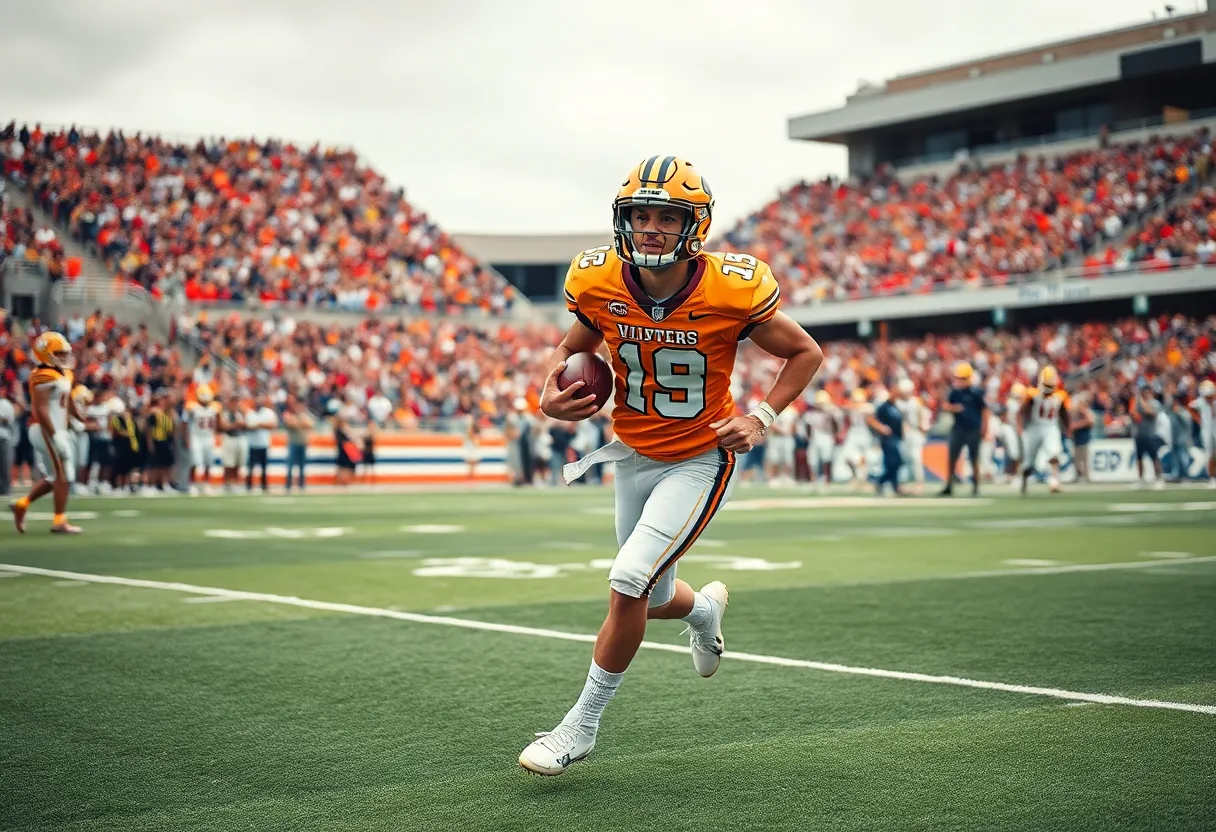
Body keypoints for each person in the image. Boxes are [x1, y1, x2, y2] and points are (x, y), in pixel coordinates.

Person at [517, 155, 823, 776]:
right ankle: (703, 612)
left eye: (665, 217)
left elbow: (804, 352)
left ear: (694, 226)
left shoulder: (730, 287)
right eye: (640, 215)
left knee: (628, 578)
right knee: (649, 595)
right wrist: (548, 393)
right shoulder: (599, 281)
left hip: (700, 459)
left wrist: (762, 416)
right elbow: (572, 349)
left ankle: (579, 727)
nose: (651, 228)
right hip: (633, 455)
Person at [9, 332, 83, 533]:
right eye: (58, 353)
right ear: (43, 354)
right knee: (63, 473)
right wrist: (55, 433)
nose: (63, 356)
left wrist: (78, 419)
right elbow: (40, 409)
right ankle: (59, 521)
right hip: (44, 428)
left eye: (64, 352)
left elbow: (66, 402)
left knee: (55, 476)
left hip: (55, 429)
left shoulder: (64, 373)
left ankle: (22, 504)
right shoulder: (43, 374)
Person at [1018, 366, 1071, 495]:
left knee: (1054, 453)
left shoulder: (1060, 396)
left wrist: (1068, 428)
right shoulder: (1032, 394)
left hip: (1051, 427)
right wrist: (1021, 428)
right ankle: (1024, 479)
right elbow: (1021, 412)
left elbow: (1065, 414)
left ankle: (1054, 481)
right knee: (1029, 463)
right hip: (1034, 428)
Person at [938, 362, 987, 497]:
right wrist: (955, 408)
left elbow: (984, 410)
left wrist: (984, 427)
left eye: (962, 378)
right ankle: (948, 485)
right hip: (958, 428)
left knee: (974, 458)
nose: (959, 381)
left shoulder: (977, 392)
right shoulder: (954, 392)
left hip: (973, 428)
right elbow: (946, 406)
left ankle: (976, 485)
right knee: (952, 457)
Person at [1129, 385, 1165, 490]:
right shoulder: (1138, 403)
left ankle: (1159, 478)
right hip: (1139, 433)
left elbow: (1150, 413)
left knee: (1154, 457)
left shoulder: (1154, 403)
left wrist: (1141, 402)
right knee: (1139, 458)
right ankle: (1141, 479)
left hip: (1150, 434)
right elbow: (1133, 414)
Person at [1189, 379, 1216, 488]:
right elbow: (1190, 407)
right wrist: (1198, 419)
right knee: (1210, 454)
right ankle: (1212, 478)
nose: (1208, 398)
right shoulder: (1201, 401)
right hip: (1207, 430)